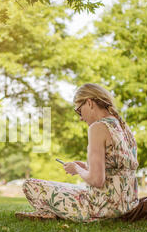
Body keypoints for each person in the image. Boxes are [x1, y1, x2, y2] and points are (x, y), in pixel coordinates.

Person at [15, 83, 139, 222]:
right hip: (127, 206)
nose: (80, 117)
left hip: (101, 209)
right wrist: (86, 167)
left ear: (89, 102)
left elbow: (97, 180)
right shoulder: (123, 127)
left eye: (79, 111)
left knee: (31, 184)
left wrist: (77, 169)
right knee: (69, 188)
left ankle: (49, 212)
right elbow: (116, 170)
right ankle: (48, 213)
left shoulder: (98, 127)